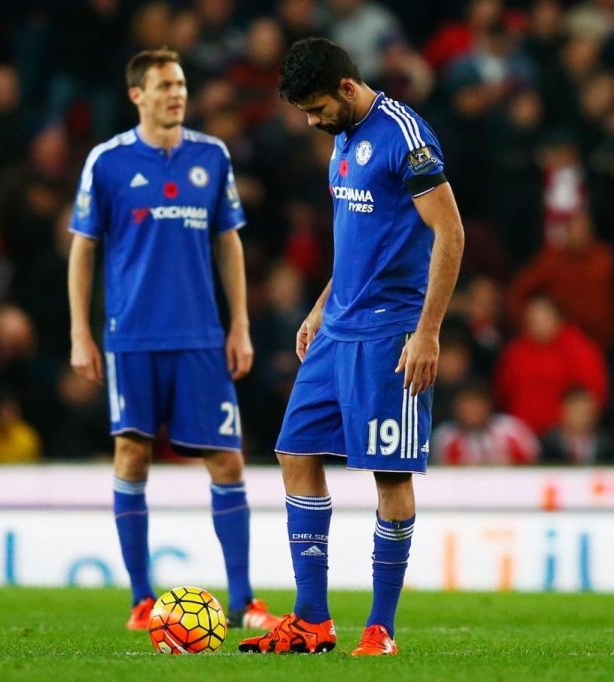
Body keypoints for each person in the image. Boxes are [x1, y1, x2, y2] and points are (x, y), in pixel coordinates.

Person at [239, 38, 464, 657]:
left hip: (392, 333)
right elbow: (359, 242)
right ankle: (312, 619)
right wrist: (318, 307)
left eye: (316, 109)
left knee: (388, 474)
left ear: (345, 87)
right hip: (337, 329)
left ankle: (381, 628)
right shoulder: (340, 140)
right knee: (295, 453)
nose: (312, 123)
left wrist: (428, 331)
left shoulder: (404, 135)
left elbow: (450, 232)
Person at [68, 48, 279, 632]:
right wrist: (80, 332)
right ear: (137, 94)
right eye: (164, 85)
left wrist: (239, 324)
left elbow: (228, 242)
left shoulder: (211, 157)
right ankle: (140, 599)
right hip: (132, 336)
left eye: (181, 83)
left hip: (199, 337)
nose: (176, 93)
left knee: (228, 460)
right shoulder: (106, 162)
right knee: (132, 454)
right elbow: (84, 248)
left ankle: (243, 601)